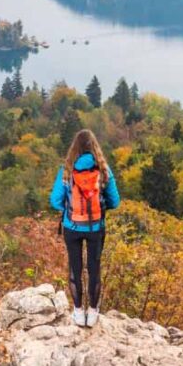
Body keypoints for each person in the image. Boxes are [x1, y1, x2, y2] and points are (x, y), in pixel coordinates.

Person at [50, 129, 120, 327]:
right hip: (96, 227)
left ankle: (78, 312)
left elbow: (55, 200)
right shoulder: (104, 171)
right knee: (94, 269)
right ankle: (93, 312)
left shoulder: (66, 171)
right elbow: (115, 201)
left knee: (75, 268)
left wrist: (69, 208)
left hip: (71, 227)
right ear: (95, 147)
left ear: (75, 148)